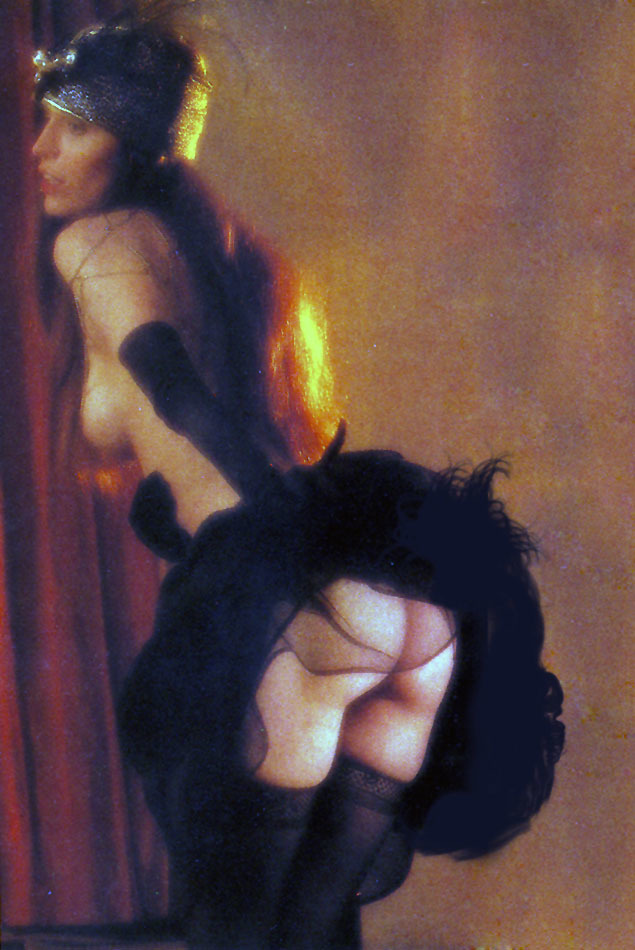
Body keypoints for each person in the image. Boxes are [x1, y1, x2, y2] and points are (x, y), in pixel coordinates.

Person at [33, 15, 565, 950]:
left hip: (286, 586)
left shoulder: (97, 241)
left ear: (134, 146)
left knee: (232, 934)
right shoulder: (227, 256)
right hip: (400, 609)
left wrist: (278, 518)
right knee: (312, 935)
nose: (41, 150)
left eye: (73, 127)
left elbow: (165, 377)